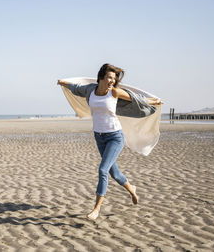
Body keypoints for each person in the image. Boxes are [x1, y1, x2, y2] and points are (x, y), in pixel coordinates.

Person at [57, 63, 162, 220]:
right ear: (101, 77)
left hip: (115, 137)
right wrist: (63, 83)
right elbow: (76, 87)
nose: (112, 81)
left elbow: (137, 100)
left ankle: (96, 209)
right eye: (109, 77)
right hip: (99, 137)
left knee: (102, 170)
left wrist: (154, 101)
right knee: (114, 173)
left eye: (114, 78)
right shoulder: (90, 90)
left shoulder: (114, 92)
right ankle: (131, 188)